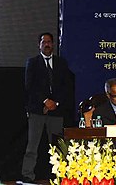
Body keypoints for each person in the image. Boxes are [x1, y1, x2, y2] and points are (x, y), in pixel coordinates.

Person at [21, 32, 74, 183]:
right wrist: (45, 101)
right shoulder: (32, 62)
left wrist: (55, 103)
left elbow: (66, 87)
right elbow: (30, 86)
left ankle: (59, 175)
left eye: (49, 42)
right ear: (39, 45)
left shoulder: (61, 63)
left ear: (53, 44)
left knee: (57, 145)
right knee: (32, 146)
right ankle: (27, 175)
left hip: (57, 111)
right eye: (44, 42)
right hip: (37, 111)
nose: (47, 44)